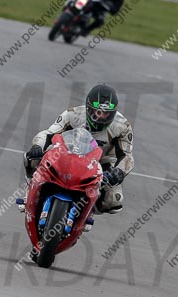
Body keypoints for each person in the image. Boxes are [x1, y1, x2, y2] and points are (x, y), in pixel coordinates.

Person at [24, 83, 133, 214]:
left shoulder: (123, 126)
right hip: (66, 154)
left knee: (114, 201)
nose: (101, 117)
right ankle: (30, 188)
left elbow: (127, 155)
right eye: (98, 112)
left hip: (101, 163)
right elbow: (49, 133)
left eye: (106, 114)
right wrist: (38, 146)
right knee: (32, 157)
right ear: (88, 108)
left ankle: (88, 213)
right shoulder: (72, 114)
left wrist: (119, 172)